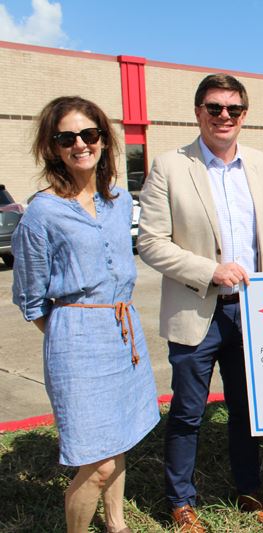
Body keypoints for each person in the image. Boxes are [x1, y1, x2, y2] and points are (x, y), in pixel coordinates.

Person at [137, 73, 263, 532]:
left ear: (244, 115)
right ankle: (181, 502)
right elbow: (151, 242)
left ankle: (249, 490)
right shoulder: (170, 166)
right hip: (197, 308)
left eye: (233, 109)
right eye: (215, 108)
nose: (224, 116)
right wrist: (209, 271)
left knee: (245, 409)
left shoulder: (261, 166)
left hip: (252, 312)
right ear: (198, 112)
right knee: (187, 411)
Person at [12, 96, 160, 533]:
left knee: (118, 439)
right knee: (97, 463)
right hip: (76, 341)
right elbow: (30, 297)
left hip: (124, 333)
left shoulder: (118, 202)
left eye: (89, 134)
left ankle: (116, 524)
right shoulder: (42, 213)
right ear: (53, 147)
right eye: (67, 138)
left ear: (103, 140)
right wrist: (70, 332)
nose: (80, 144)